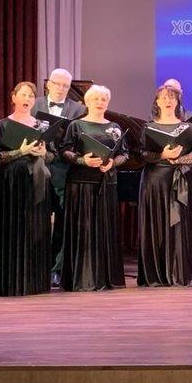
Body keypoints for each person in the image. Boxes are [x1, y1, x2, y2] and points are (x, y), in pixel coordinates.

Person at [0, 81, 55, 297]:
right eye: (23, 94)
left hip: (37, 180)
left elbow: (53, 156)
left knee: (36, 229)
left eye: (31, 96)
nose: (27, 99)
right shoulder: (2, 125)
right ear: (13, 97)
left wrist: (44, 154)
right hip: (12, 183)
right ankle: (11, 282)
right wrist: (20, 152)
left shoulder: (42, 126)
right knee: (13, 229)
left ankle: (36, 282)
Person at [59, 85, 129, 291]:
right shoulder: (76, 125)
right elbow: (65, 150)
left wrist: (112, 163)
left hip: (106, 183)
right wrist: (83, 160)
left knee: (104, 229)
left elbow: (124, 154)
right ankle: (83, 278)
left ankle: (106, 278)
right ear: (87, 102)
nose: (100, 102)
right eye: (96, 99)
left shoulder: (115, 127)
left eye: (103, 99)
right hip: (81, 183)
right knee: (83, 229)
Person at [137, 84, 192, 287]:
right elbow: (142, 154)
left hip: (180, 179)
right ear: (157, 102)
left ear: (177, 102)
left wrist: (181, 159)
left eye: (172, 97)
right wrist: (162, 155)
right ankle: (157, 274)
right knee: (157, 224)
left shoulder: (186, 127)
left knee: (181, 225)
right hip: (155, 181)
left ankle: (180, 272)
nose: (168, 101)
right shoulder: (148, 127)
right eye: (164, 97)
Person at [32, 67, 87, 286]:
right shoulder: (34, 104)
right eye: (57, 84)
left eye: (66, 85)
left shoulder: (79, 109)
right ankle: (36, 268)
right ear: (48, 85)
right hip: (37, 169)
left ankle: (57, 269)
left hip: (65, 172)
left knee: (63, 223)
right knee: (37, 221)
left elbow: (81, 139)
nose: (61, 88)